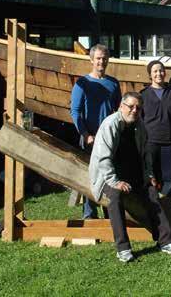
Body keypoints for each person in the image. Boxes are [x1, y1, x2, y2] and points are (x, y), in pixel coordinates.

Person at [88, 91, 171, 262]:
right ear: (121, 106)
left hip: (134, 173)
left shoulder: (140, 125)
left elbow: (145, 155)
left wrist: (149, 175)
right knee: (115, 199)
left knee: (153, 195)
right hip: (110, 175)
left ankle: (165, 241)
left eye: (138, 108)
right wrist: (114, 182)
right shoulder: (110, 124)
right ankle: (123, 248)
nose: (134, 110)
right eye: (130, 106)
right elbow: (103, 158)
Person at [70, 44, 121, 219]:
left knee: (109, 175)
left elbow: (118, 111)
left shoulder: (113, 83)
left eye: (104, 57)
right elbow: (75, 112)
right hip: (90, 137)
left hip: (108, 138)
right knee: (90, 176)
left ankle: (109, 212)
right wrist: (85, 135)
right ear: (91, 60)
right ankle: (89, 214)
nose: (101, 61)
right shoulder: (82, 83)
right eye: (98, 58)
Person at [140, 60, 171, 196]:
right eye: (155, 71)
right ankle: (153, 208)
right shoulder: (143, 94)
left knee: (168, 178)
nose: (159, 73)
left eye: (161, 70)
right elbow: (139, 120)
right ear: (150, 75)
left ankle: (168, 207)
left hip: (169, 142)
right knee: (151, 176)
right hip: (150, 141)